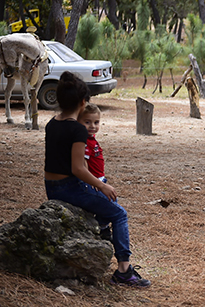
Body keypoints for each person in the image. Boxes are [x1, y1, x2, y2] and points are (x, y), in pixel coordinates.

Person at [44, 71, 151, 288]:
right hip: (68, 188)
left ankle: (102, 232)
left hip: (51, 187)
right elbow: (77, 168)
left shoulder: (52, 123)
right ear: (83, 103)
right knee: (119, 213)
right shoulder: (77, 130)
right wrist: (101, 185)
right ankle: (123, 270)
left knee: (108, 208)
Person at [78, 102, 111, 241]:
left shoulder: (92, 139)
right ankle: (101, 227)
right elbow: (83, 162)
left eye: (96, 122)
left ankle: (101, 225)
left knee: (111, 201)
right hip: (94, 181)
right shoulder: (85, 142)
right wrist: (91, 180)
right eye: (87, 122)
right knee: (110, 204)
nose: (92, 126)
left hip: (100, 178)